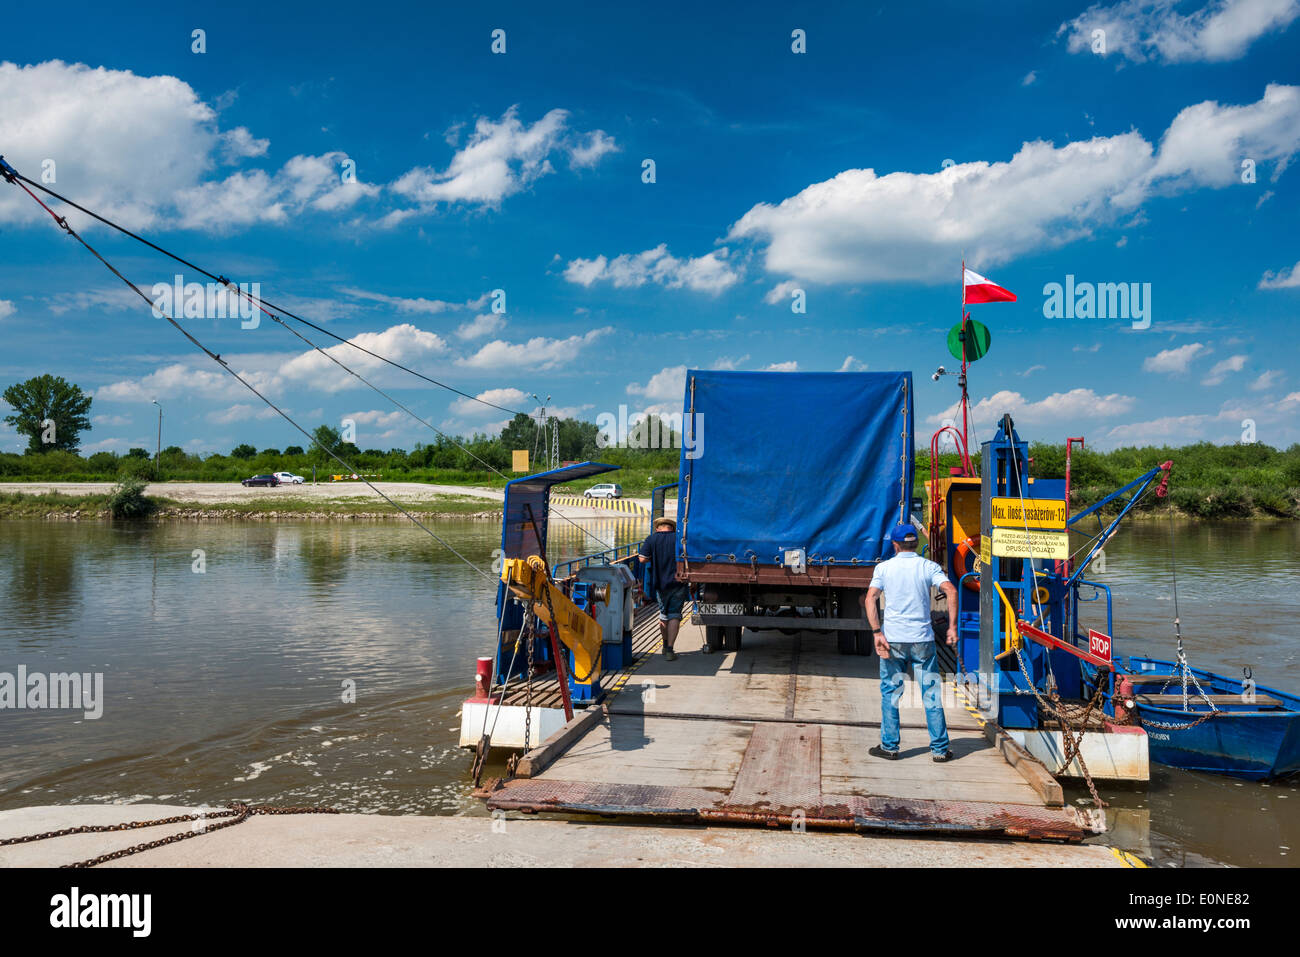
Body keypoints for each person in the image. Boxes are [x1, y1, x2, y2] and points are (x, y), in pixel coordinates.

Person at [864, 523, 959, 762]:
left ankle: (890, 747)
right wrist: (952, 627)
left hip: (892, 639)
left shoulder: (884, 568)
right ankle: (939, 750)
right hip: (922, 640)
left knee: (890, 692)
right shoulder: (929, 566)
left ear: (895, 544)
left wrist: (877, 632)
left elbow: (870, 598)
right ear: (915, 543)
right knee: (931, 693)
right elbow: (952, 591)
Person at [638, 516, 687, 661]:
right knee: (675, 615)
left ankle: (664, 646)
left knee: (663, 615)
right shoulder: (679, 539)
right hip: (678, 582)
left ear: (659, 528)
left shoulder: (652, 539)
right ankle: (671, 649)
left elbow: (642, 559)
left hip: (660, 584)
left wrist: (653, 556)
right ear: (671, 527)